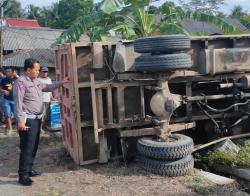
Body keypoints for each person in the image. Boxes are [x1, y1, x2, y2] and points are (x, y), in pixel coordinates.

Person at [13, 58, 70, 186]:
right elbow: (18, 103)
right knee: (27, 148)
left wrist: (62, 82)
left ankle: (29, 169)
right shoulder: (21, 83)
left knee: (33, 147)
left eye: (39, 69)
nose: (38, 72)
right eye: (36, 69)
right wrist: (21, 121)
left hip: (37, 119)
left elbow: (48, 87)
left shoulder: (37, 81)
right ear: (28, 70)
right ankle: (23, 176)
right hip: (28, 120)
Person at [0, 67, 18, 134]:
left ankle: (18, 128)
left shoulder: (17, 79)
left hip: (15, 100)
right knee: (8, 115)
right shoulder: (4, 80)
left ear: (13, 72)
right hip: (6, 100)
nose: (7, 72)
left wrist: (16, 75)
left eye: (9, 71)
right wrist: (3, 90)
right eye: (6, 71)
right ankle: (10, 129)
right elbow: (0, 88)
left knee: (16, 115)